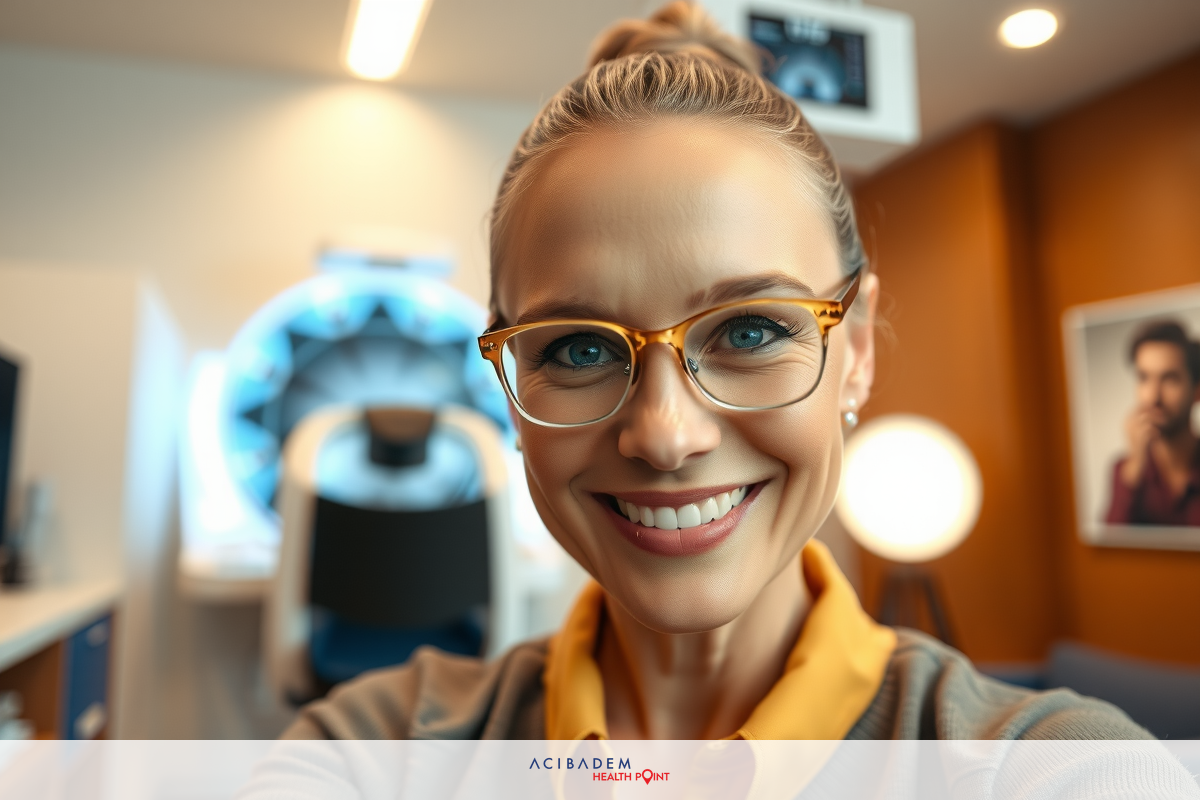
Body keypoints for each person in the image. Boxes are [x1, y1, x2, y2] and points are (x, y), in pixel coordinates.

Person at [281, 2, 1149, 742]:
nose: (664, 435)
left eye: (751, 330)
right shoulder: (373, 747)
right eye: (578, 348)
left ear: (860, 355)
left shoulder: (1048, 765)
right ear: (512, 380)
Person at [1105, 320, 1200, 526]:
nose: (1153, 397)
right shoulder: (1123, 471)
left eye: (1170, 379)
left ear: (1197, 391)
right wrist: (1133, 473)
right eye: (1144, 378)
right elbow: (1108, 554)